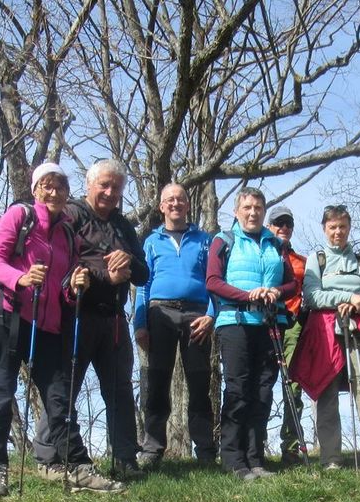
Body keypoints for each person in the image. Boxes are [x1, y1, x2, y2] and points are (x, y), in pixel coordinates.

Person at [0, 163, 114, 497]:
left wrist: (76, 286)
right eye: (47, 186)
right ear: (36, 189)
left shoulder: (68, 233)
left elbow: (64, 287)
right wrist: (21, 278)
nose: (54, 193)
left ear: (68, 193)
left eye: (61, 187)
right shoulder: (19, 216)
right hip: (6, 314)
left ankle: (78, 466)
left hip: (47, 323)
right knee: (1, 389)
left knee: (59, 397)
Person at [33, 159, 149, 479]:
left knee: (120, 389)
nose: (110, 193)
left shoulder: (122, 225)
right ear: (89, 185)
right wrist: (105, 277)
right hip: (76, 313)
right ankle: (49, 456)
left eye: (116, 188)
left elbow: (143, 273)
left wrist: (128, 261)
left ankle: (125, 458)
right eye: (104, 185)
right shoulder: (71, 214)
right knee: (65, 387)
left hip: (113, 318)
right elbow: (60, 261)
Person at [204, 188, 299, 481]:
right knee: (238, 389)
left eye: (258, 207)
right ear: (237, 211)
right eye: (247, 207)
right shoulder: (224, 241)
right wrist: (247, 296)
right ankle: (233, 459)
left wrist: (275, 292)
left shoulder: (275, 244)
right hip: (235, 322)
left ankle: (256, 458)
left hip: (269, 323)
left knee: (263, 391)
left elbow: (292, 285)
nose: (253, 212)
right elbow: (213, 281)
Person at [292, 205, 360, 472]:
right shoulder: (317, 259)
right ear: (324, 229)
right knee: (326, 394)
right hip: (325, 332)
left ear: (349, 228)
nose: (338, 232)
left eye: (342, 227)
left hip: (359, 330)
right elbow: (312, 295)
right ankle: (331, 459)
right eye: (333, 227)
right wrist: (347, 297)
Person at [134, 183, 216, 467]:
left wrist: (211, 315)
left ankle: (205, 450)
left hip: (197, 315)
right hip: (160, 312)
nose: (175, 204)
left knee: (200, 381)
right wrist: (140, 324)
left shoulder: (204, 240)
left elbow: (214, 281)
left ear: (188, 205)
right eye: (169, 200)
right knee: (157, 382)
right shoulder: (151, 241)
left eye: (180, 199)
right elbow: (142, 285)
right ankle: (152, 449)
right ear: (161, 206)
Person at [267, 203, 309, 465]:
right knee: (261, 385)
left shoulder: (302, 262)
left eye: (288, 224)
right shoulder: (262, 253)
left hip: (293, 325)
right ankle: (253, 447)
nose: (283, 227)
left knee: (292, 386)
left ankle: (291, 447)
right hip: (264, 322)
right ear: (269, 226)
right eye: (278, 223)